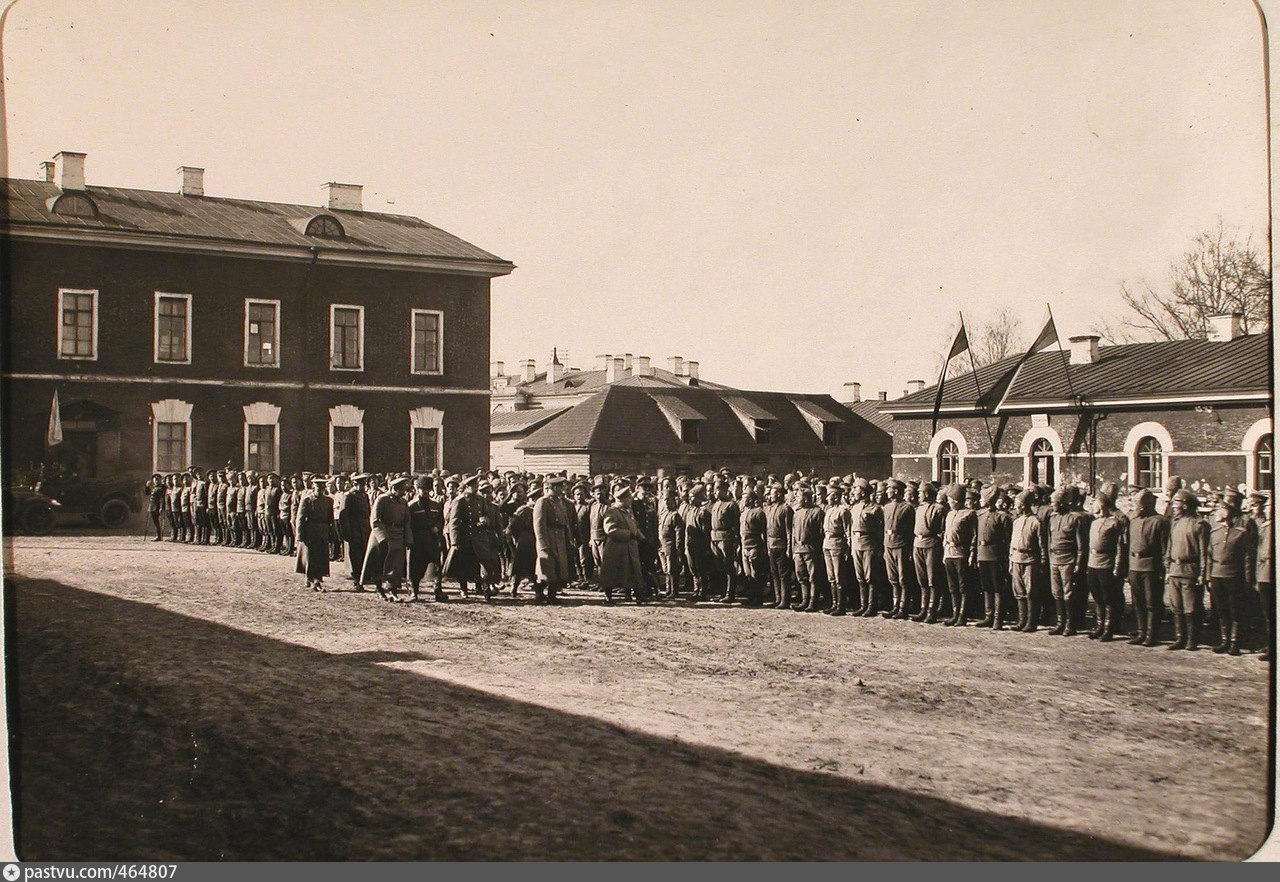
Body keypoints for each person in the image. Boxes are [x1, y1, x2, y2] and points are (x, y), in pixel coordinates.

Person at [1207, 488, 1257, 656]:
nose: (1217, 512)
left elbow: (1248, 559)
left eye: (1221, 509)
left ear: (1228, 513)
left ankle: (1234, 642)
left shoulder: (1240, 534)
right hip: (1217, 574)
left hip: (1234, 575)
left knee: (1235, 610)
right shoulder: (1214, 533)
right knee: (1221, 609)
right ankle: (1224, 640)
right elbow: (1209, 556)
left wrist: (1249, 580)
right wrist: (1208, 576)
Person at [1164, 489, 1209, 651]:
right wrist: (1168, 567)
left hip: (1191, 570)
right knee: (1176, 606)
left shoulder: (1199, 524)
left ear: (1185, 505)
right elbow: (1170, 546)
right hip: (1175, 569)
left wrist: (1203, 574)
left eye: (1177, 503)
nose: (1174, 506)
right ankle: (1180, 638)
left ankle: (1192, 640)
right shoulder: (1175, 522)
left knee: (1191, 608)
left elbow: (1204, 552)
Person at [1086, 483, 1129, 641]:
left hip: (1107, 563)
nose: (1092, 504)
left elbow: (1120, 547)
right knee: (1097, 596)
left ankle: (1109, 628)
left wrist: (1118, 567)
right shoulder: (1094, 522)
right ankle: (1099, 625)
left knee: (1109, 597)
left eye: (1096, 501)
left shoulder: (1116, 521)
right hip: (1093, 563)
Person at [361, 476, 414, 601]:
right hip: (383, 536)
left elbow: (407, 522)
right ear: (393, 488)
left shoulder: (403, 502)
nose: (403, 493)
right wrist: (382, 537)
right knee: (379, 563)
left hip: (398, 535)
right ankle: (379, 589)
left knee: (395, 565)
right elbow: (375, 520)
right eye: (401, 490)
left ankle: (392, 590)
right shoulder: (382, 499)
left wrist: (408, 539)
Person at [1127, 488, 1168, 646]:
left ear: (1145, 506)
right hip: (1135, 566)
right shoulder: (1134, 521)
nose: (1135, 509)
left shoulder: (1160, 522)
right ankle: (1141, 631)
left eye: (1137, 506)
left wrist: (1164, 570)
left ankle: (1151, 634)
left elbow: (1165, 549)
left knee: (1152, 602)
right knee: (1138, 602)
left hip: (1151, 567)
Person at [1047, 488, 1088, 636]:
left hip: (1068, 560)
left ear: (1063, 503)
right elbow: (1049, 540)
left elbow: (1081, 545)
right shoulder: (1052, 518)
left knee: (1069, 593)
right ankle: (1060, 623)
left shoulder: (1075, 518)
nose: (1052, 505)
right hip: (1054, 560)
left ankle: (1071, 624)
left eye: (1055, 503)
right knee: (1056, 592)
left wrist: (1079, 564)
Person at [600, 481, 646, 604]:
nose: (631, 500)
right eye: (629, 498)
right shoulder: (613, 511)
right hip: (616, 548)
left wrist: (640, 536)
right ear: (622, 500)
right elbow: (610, 529)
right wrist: (628, 534)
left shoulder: (627, 511)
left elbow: (633, 526)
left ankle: (634, 595)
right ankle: (608, 596)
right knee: (611, 572)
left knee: (632, 572)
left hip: (630, 547)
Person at [975, 485, 1011, 629]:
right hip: (982, 554)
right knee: (986, 586)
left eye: (983, 498)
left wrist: (1006, 557)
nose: (981, 501)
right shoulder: (980, 515)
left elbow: (1007, 539)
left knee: (997, 587)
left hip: (996, 555)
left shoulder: (1002, 517)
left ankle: (998, 618)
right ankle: (988, 616)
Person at [532, 474, 573, 604]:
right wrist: (543, 543)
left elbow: (565, 523)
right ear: (553, 488)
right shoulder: (542, 502)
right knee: (546, 568)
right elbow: (539, 524)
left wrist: (568, 539)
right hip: (548, 537)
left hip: (559, 538)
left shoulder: (560, 502)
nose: (563, 490)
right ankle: (539, 593)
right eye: (560, 487)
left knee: (558, 568)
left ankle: (552, 595)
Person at [912, 482, 946, 623]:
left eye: (920, 493)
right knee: (922, 579)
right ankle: (923, 609)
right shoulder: (918, 509)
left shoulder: (939, 509)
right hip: (918, 544)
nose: (918, 495)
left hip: (932, 544)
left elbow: (943, 530)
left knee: (933, 580)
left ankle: (932, 611)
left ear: (926, 493)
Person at [443, 475, 482, 597]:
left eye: (476, 486)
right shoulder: (459, 501)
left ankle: (479, 587)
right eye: (472, 487)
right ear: (466, 487)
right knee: (463, 564)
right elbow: (453, 522)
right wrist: (454, 541)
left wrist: (485, 519)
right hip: (463, 535)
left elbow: (486, 513)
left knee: (477, 562)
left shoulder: (480, 500)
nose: (475, 489)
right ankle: (463, 588)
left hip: (476, 535)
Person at [407, 476, 445, 602]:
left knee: (436, 566)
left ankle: (438, 590)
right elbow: (408, 524)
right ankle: (414, 591)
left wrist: (437, 528)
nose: (426, 493)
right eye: (423, 490)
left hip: (432, 540)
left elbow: (441, 520)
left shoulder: (435, 505)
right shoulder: (412, 506)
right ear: (417, 489)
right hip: (417, 541)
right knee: (415, 568)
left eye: (428, 490)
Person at [295, 475, 335, 591]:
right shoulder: (307, 500)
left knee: (321, 556)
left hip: (323, 531)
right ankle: (312, 579)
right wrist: (299, 534)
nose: (320, 488)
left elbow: (331, 518)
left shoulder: (328, 501)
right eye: (317, 485)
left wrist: (332, 533)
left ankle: (317, 578)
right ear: (313, 486)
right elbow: (300, 518)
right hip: (310, 531)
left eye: (322, 486)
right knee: (310, 556)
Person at [850, 478, 884, 616]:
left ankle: (871, 606)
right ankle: (863, 605)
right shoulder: (855, 507)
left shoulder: (875, 508)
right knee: (860, 576)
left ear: (863, 492)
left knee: (870, 577)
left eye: (856, 489)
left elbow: (879, 530)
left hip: (869, 543)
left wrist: (879, 548)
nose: (854, 492)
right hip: (856, 543)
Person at [820, 481, 852, 615]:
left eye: (829, 496)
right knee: (831, 577)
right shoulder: (829, 510)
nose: (827, 498)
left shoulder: (843, 511)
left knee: (839, 577)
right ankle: (834, 604)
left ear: (836, 497)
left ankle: (841, 606)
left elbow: (847, 531)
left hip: (837, 544)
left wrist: (847, 549)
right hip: (827, 544)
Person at [791, 485, 824, 612]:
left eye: (798, 497)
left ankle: (812, 602)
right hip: (799, 549)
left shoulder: (817, 512)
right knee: (801, 576)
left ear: (805, 498)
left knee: (813, 577)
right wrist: (794, 549)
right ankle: (804, 601)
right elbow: (794, 532)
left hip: (811, 549)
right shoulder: (797, 513)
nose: (796, 499)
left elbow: (821, 532)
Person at [1248, 492, 1273, 662]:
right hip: (1260, 570)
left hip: (1267, 571)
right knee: (1264, 611)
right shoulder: (1261, 524)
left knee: (1270, 612)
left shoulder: (1268, 525)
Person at [763, 482, 794, 609]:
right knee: (774, 573)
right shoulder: (769, 509)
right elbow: (767, 530)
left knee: (783, 574)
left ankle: (785, 600)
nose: (771, 496)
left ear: (780, 494)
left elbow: (788, 530)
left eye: (773, 494)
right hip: (772, 545)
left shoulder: (786, 509)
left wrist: (789, 547)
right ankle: (777, 598)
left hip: (781, 545)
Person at [505, 483, 536, 598]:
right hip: (523, 541)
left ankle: (539, 592)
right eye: (534, 499)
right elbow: (511, 527)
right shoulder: (524, 510)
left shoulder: (537, 509)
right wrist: (515, 540)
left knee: (532, 566)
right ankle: (513, 589)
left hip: (533, 540)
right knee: (518, 566)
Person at [739, 488, 769, 607]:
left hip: (755, 546)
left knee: (756, 574)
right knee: (748, 574)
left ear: (750, 499)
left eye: (745, 497)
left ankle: (758, 598)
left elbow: (763, 532)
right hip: (744, 546)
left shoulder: (759, 512)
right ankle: (751, 596)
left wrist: (763, 548)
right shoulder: (743, 512)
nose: (742, 500)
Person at [657, 481, 686, 600]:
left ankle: (674, 591)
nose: (666, 502)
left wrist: (678, 549)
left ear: (674, 501)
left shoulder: (675, 515)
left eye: (669, 500)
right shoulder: (663, 514)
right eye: (664, 500)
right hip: (662, 546)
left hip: (671, 546)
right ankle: (668, 590)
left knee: (672, 570)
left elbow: (679, 534)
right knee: (666, 570)